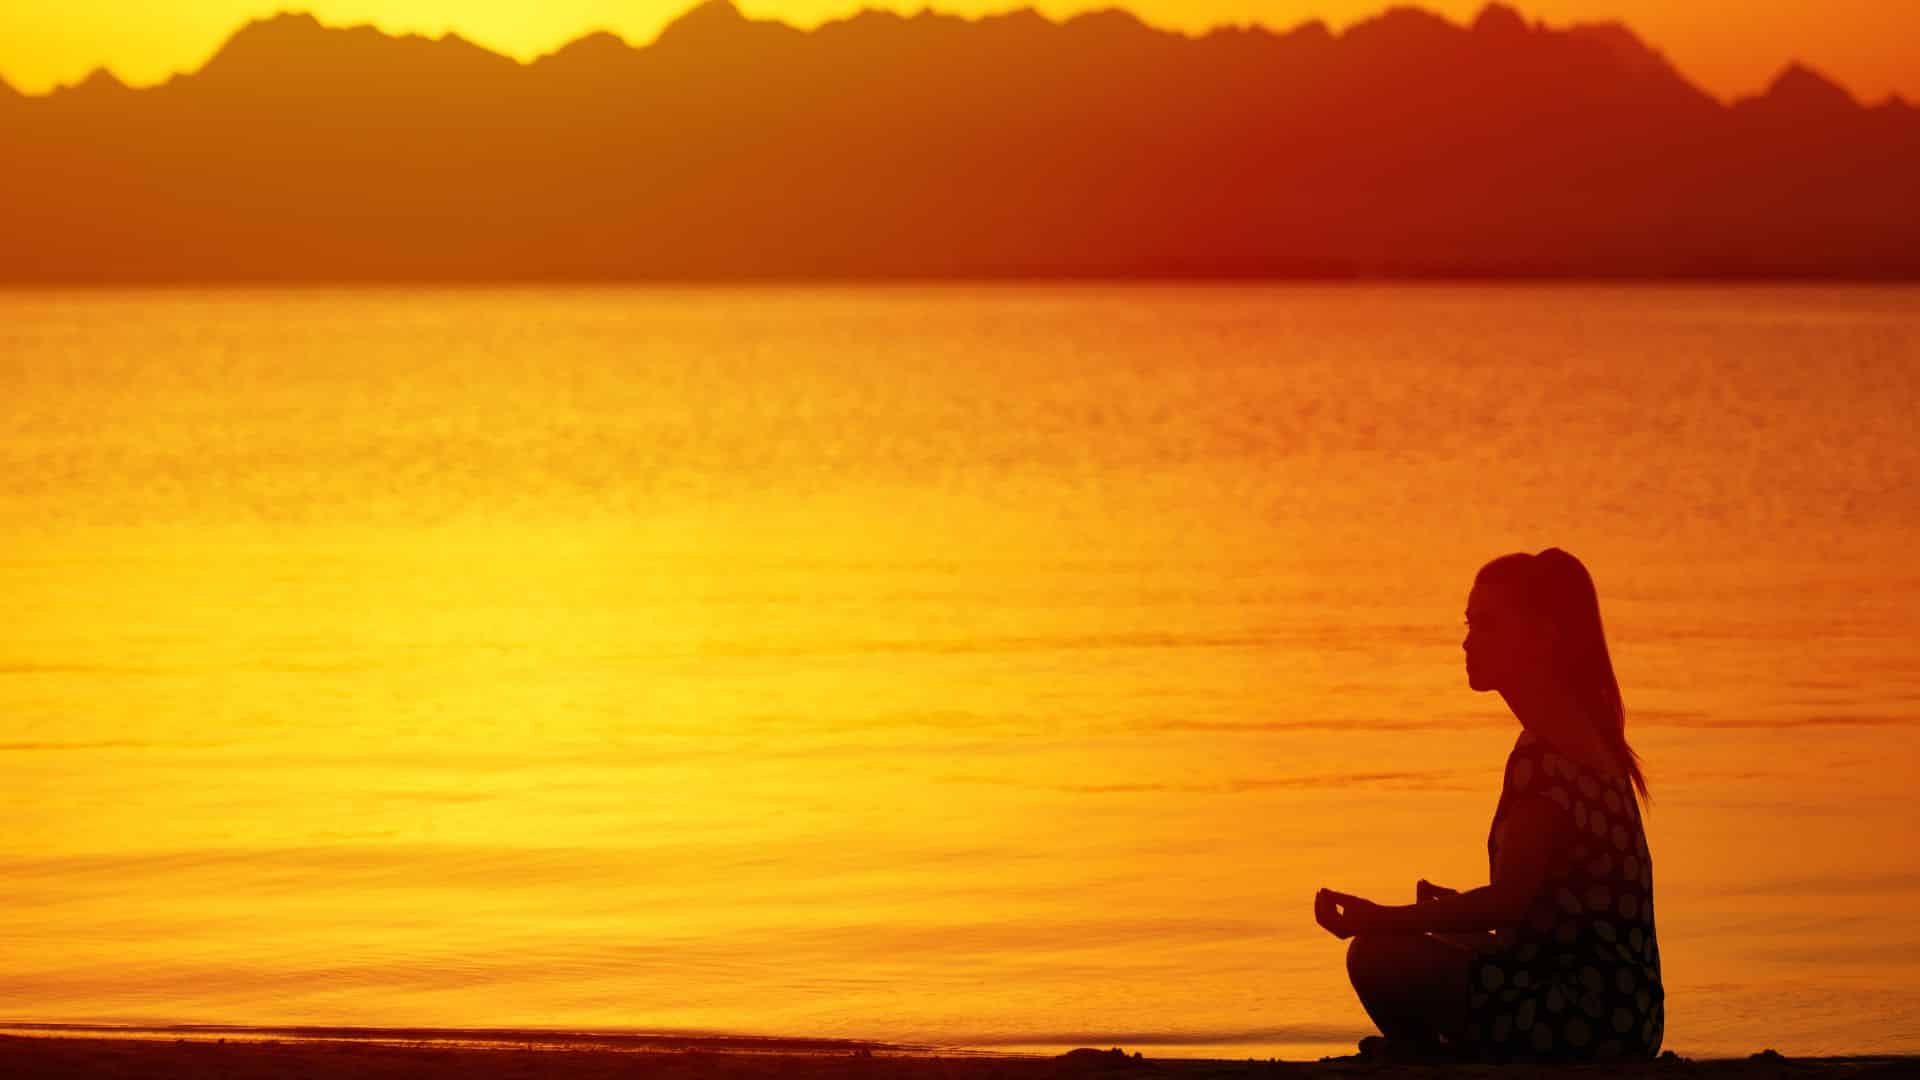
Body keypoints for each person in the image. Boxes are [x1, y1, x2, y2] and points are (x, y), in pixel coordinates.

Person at [1312, 548, 1664, 1063]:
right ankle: (1432, 1051)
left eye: (1488, 625)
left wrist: (1380, 918)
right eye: (1469, 623)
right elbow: (1546, 913)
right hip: (1631, 1016)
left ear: (1542, 637)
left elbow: (1508, 904)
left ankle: (1427, 1057)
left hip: (1585, 1021)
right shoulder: (1589, 737)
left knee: (1376, 955)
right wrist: (1450, 914)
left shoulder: (1544, 756)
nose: (1468, 640)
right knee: (1435, 940)